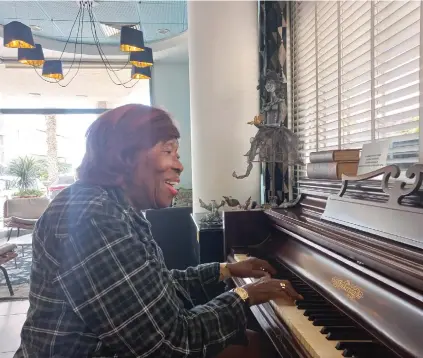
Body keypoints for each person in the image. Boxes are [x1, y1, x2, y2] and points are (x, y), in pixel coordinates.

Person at [15, 104, 302, 358]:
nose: (180, 165)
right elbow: (169, 345)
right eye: (168, 151)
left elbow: (152, 289)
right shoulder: (93, 218)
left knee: (253, 344)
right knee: (260, 348)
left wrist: (226, 270)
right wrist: (245, 296)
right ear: (126, 155)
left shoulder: (110, 206)